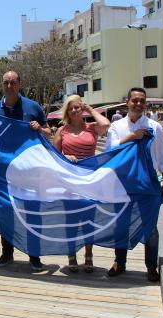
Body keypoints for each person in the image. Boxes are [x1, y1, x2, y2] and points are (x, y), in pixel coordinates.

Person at [105, 87, 163, 282]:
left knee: (150, 227)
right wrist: (134, 136)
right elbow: (110, 149)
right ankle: (120, 262)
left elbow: (162, 159)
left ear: (146, 104)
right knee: (120, 225)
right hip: (122, 184)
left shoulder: (155, 127)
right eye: (135, 100)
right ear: (127, 102)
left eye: (142, 101)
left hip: (147, 184)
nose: (138, 104)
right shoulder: (117, 127)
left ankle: (151, 266)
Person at [0, 70, 51, 270]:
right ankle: (7, 253)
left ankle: (35, 255)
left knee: (33, 213)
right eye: (6, 82)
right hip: (3, 172)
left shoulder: (33, 107)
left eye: (13, 82)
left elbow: (49, 132)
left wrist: (40, 129)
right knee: (6, 213)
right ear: (2, 85)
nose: (9, 86)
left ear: (19, 84)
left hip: (30, 172)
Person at [52, 95, 110, 273]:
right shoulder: (62, 131)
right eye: (71, 108)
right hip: (70, 183)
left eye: (78, 107)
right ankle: (71, 256)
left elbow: (106, 125)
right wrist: (65, 157)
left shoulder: (92, 128)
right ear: (67, 111)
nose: (75, 110)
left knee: (88, 221)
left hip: (90, 181)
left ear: (82, 108)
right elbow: (54, 157)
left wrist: (91, 109)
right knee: (71, 221)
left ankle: (88, 256)